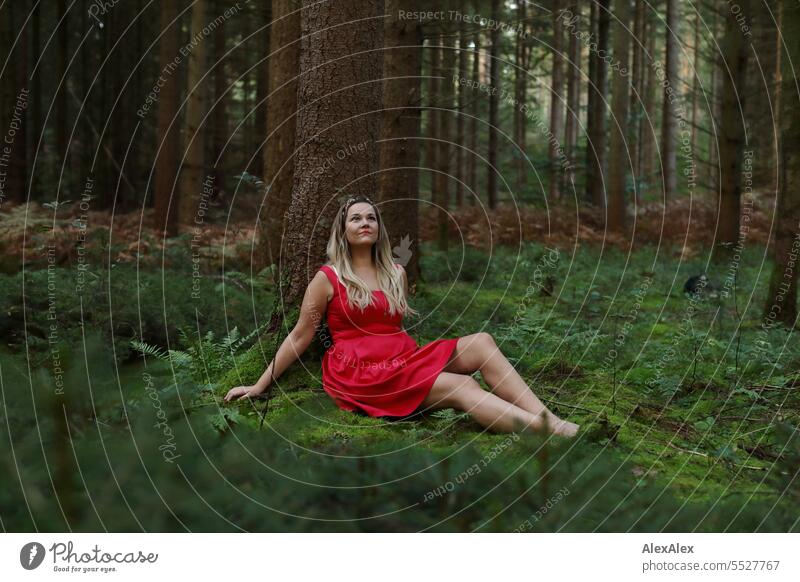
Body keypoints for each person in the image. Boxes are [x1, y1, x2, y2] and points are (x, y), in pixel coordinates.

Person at [224, 195, 579, 438]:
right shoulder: (327, 278)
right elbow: (301, 336)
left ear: (379, 227)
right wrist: (259, 384)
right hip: (360, 373)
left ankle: (550, 418)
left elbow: (392, 328)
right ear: (343, 231)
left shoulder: (396, 273)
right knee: (462, 385)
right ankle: (552, 433)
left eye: (371, 218)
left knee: (482, 342)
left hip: (400, 360)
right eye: (355, 218)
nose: (365, 223)